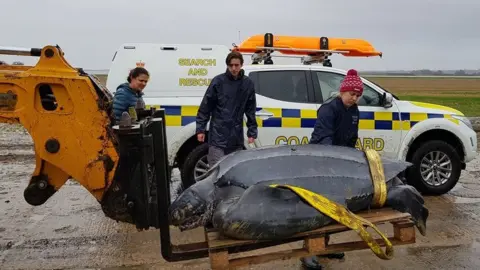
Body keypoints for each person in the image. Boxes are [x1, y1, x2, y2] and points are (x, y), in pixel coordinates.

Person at [301, 68, 363, 270]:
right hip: (322, 162)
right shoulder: (329, 109)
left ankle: (324, 247)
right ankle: (308, 252)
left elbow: (351, 138)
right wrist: (332, 163)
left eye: (357, 95)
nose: (354, 98)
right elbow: (324, 138)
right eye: (351, 94)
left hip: (339, 163)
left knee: (335, 209)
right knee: (318, 209)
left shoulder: (354, 111)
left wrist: (352, 159)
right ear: (342, 91)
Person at [195, 51, 258, 167]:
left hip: (236, 138)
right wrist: (200, 129)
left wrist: (252, 132)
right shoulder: (218, 82)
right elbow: (206, 106)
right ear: (227, 65)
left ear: (241, 65)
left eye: (236, 65)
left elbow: (250, 109)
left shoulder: (247, 84)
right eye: (231, 65)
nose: (234, 68)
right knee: (216, 171)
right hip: (217, 137)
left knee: (233, 171)